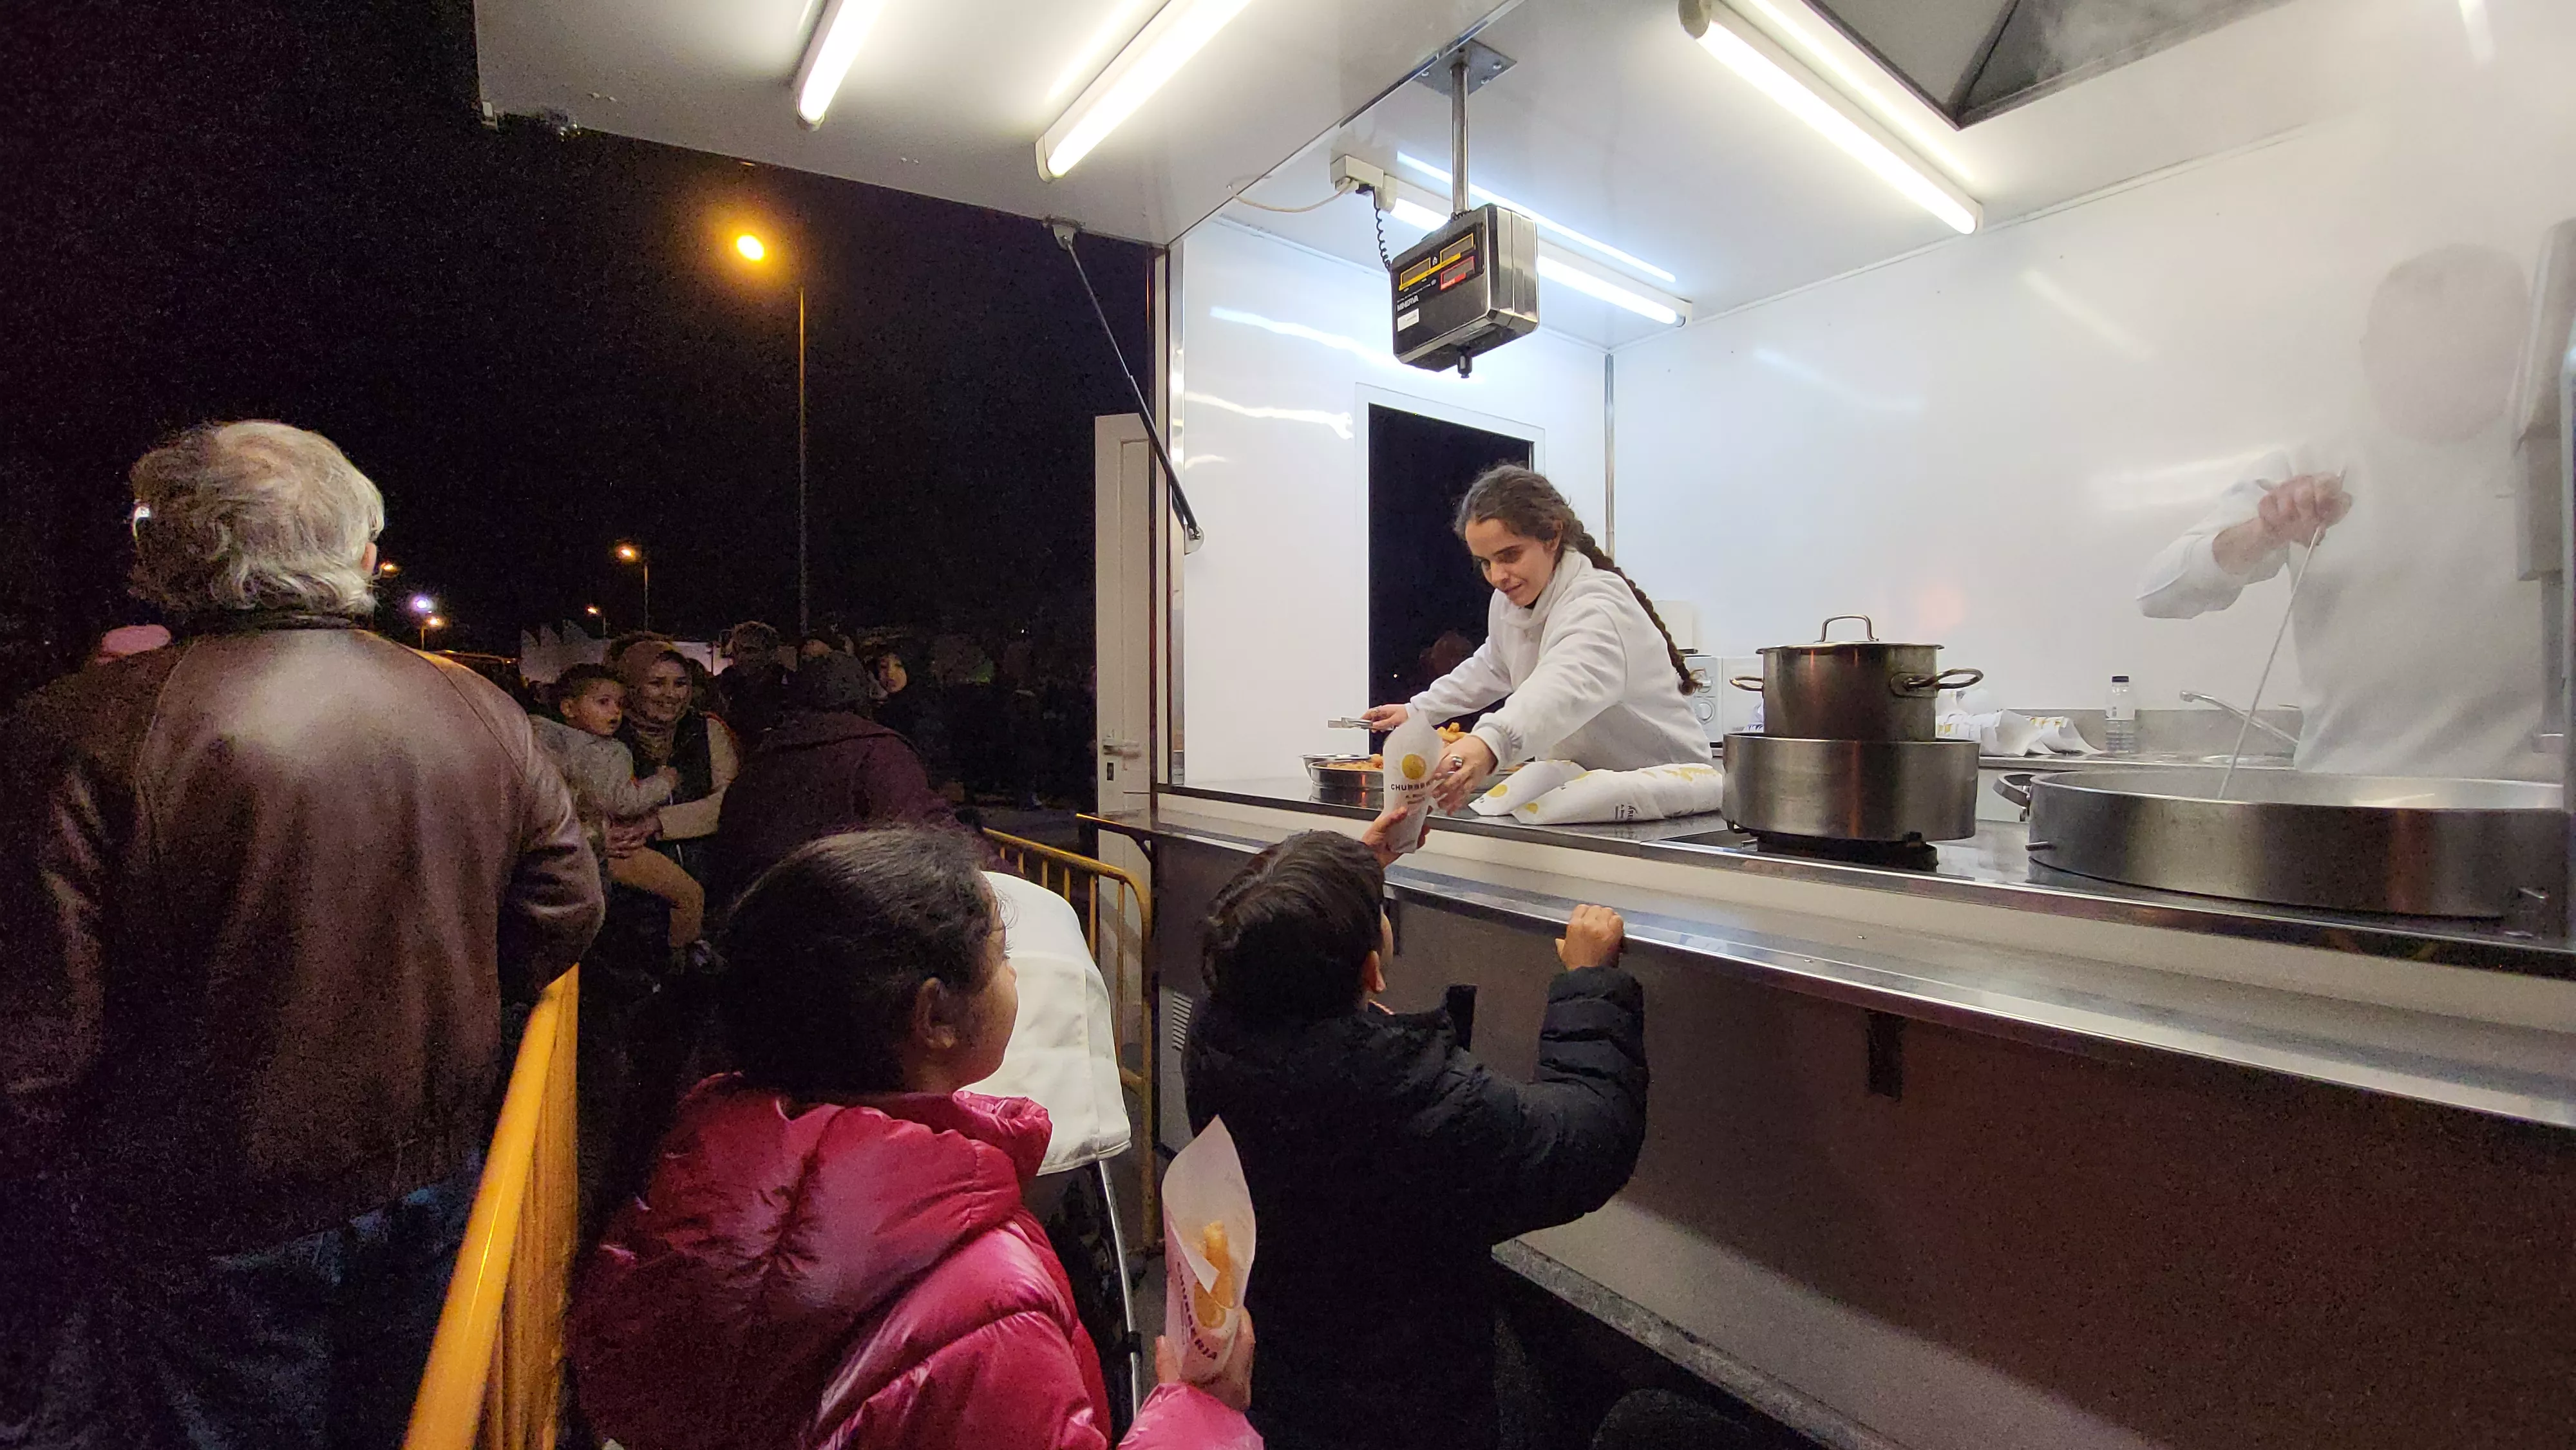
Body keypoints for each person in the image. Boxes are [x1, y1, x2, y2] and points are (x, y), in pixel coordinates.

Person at [0, 420, 603, 1449]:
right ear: (362, 558)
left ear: (161, 559)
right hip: (432, 1161)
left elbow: (40, 1029)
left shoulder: (77, 729)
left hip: (202, 1201)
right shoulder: (472, 703)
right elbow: (562, 908)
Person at [568, 827, 1256, 1450]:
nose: (1016, 974)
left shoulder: (690, 1163)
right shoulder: (985, 1290)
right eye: (1001, 955)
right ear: (934, 1015)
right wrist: (1199, 1414)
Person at [1182, 806, 1649, 1450]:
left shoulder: (1215, 1036)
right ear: (1372, 972)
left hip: (1279, 1384)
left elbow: (1258, 934)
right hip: (1408, 1411)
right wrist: (1591, 981)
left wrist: (1350, 870)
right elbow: (1589, 1135)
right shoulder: (1418, 1105)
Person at [2136, 242, 2552, 779]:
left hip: (2523, 804)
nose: (2436, 364)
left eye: (2468, 346)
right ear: (2370, 354)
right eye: (2409, 347)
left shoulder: (2547, 462)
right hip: (2347, 801)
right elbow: (2159, 591)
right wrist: (2265, 531)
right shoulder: (2311, 464)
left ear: (2513, 351)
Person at [1363, 466, 1709, 811]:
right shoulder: (1509, 602)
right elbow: (1494, 666)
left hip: (1667, 790)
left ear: (1552, 538)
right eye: (1485, 562)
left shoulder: (1599, 604)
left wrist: (1490, 742)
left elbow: (1562, 685)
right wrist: (1418, 711)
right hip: (1588, 786)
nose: (1498, 576)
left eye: (1509, 556)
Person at [712, 652, 961, 904]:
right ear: (861, 693)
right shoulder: (878, 752)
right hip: (841, 915)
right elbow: (923, 828)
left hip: (758, 912)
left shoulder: (765, 754)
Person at [533, 663, 704, 952]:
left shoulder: (538, 741)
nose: (615, 712)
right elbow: (621, 801)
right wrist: (664, 782)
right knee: (690, 895)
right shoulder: (604, 750)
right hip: (612, 846)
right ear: (569, 708)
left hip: (567, 844)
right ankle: (683, 969)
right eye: (603, 703)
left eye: (619, 704)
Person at [613, 638, 740, 882]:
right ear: (632, 686)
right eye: (656, 683)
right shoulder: (609, 735)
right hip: (633, 887)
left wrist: (658, 822)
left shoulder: (706, 730)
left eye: (680, 684)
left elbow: (729, 800)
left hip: (707, 875)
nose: (671, 695)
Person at [714, 619, 791, 749]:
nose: (741, 657)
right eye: (737, 650)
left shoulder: (790, 687)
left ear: (770, 654)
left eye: (750, 651)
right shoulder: (723, 685)